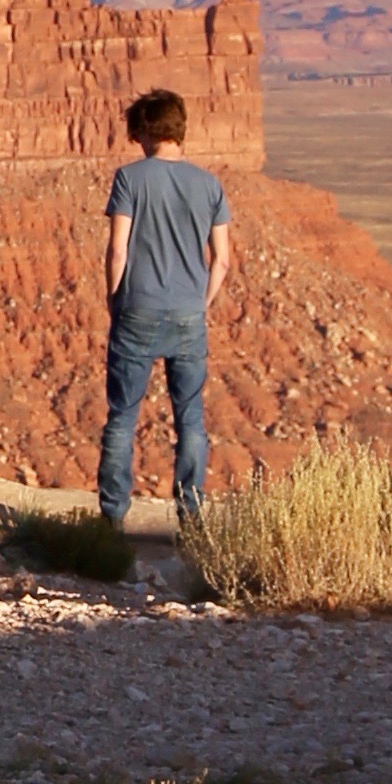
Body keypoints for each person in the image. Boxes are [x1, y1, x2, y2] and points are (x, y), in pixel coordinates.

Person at [100, 87, 233, 526]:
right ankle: (191, 518)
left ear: (145, 131)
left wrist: (114, 299)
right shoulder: (209, 184)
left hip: (137, 308)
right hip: (189, 313)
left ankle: (114, 521)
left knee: (122, 417)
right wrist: (202, 302)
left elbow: (118, 251)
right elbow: (223, 260)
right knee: (191, 419)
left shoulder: (130, 179)